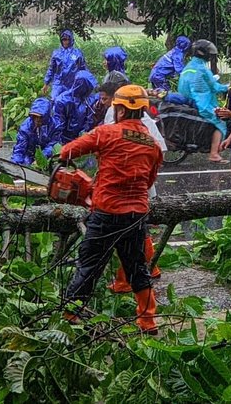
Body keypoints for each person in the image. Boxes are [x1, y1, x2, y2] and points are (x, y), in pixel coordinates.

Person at [61, 84, 163, 334]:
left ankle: (70, 313)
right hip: (136, 215)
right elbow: (149, 181)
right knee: (137, 268)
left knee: (89, 265)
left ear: (118, 109)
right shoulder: (153, 145)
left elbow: (67, 151)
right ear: (142, 111)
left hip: (106, 212)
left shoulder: (104, 134)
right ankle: (148, 321)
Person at [101, 85, 168, 293]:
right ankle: (152, 267)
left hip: (132, 188)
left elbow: (159, 152)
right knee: (138, 232)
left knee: (126, 237)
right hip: (129, 186)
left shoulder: (144, 123)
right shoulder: (115, 117)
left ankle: (125, 281)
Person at [178, 39, 229, 162]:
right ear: (203, 53)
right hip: (201, 103)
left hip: (188, 100)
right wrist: (228, 87)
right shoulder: (202, 69)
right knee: (221, 122)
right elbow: (214, 87)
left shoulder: (189, 66)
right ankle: (214, 154)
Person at [51, 70, 99, 144]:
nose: (91, 90)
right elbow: (58, 125)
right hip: (65, 139)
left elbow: (89, 118)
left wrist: (84, 132)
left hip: (82, 138)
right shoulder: (63, 101)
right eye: (89, 87)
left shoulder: (88, 99)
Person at [11, 97, 57, 165]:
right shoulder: (26, 127)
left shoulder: (54, 125)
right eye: (35, 116)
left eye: (40, 117)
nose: (37, 120)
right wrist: (15, 164)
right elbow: (20, 148)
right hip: (29, 155)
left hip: (48, 156)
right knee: (24, 163)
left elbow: (53, 145)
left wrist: (41, 158)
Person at [43, 30, 87, 100]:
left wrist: (86, 83)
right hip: (58, 83)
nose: (65, 42)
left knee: (70, 103)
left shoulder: (78, 53)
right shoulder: (56, 53)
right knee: (54, 100)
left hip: (72, 84)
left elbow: (83, 69)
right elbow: (51, 69)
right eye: (64, 39)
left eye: (67, 39)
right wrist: (46, 83)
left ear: (71, 40)